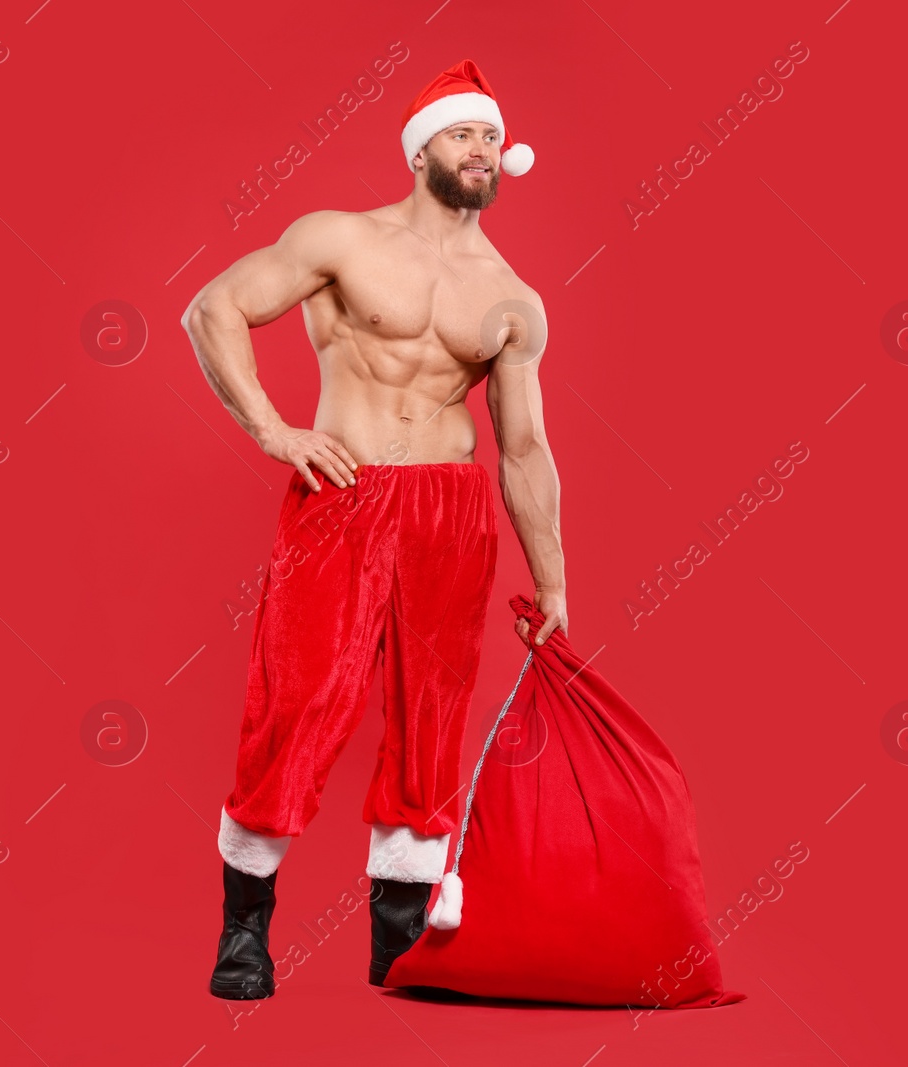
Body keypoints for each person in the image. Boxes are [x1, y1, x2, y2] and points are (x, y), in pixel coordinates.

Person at [180, 59, 568, 1000]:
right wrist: (274, 429)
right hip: (345, 491)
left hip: (451, 508)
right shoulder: (340, 239)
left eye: (490, 136)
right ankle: (246, 927)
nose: (478, 149)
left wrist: (552, 577)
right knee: (301, 698)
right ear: (422, 147)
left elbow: (523, 450)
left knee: (434, 712)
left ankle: (398, 939)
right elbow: (213, 307)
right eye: (461, 134)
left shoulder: (512, 297)